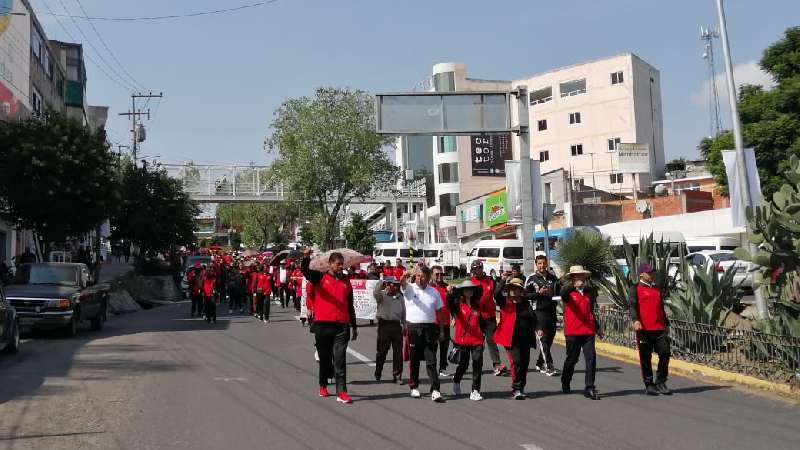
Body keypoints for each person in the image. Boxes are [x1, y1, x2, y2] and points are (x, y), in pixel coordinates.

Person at [301, 249, 358, 404]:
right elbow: (305, 271)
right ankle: (323, 385)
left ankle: (342, 392)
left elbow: (350, 305)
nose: (341, 267)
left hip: (342, 326)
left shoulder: (346, 281)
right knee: (325, 358)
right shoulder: (320, 277)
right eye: (338, 264)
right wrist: (306, 257)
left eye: (342, 264)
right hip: (323, 325)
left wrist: (354, 325)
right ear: (330, 264)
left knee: (340, 359)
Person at [400, 266, 448, 402]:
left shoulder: (434, 292)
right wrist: (408, 273)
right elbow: (401, 281)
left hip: (430, 328)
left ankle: (435, 390)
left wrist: (442, 331)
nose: (420, 278)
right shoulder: (409, 288)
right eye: (418, 276)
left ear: (428, 277)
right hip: (413, 328)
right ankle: (414, 387)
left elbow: (439, 312)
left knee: (431, 360)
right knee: (414, 360)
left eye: (423, 276)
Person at [560, 265, 602, 400]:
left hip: (588, 331)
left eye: (582, 275)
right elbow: (562, 293)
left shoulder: (589, 292)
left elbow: (590, 311)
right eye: (577, 276)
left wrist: (597, 327)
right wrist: (572, 285)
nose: (580, 278)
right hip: (573, 331)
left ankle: (589, 387)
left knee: (591, 359)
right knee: (572, 359)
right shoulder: (568, 293)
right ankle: (565, 381)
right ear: (572, 278)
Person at [630, 263, 672, 396]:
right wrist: (635, 320)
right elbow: (632, 305)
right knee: (645, 358)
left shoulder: (657, 289)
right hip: (644, 329)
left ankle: (661, 382)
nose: (651, 275)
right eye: (648, 273)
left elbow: (660, 308)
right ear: (641, 274)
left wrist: (665, 323)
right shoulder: (635, 288)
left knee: (665, 353)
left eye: (652, 272)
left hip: (659, 328)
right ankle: (649, 384)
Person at [494, 277, 537, 399]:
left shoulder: (525, 303)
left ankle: (521, 388)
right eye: (511, 288)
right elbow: (497, 294)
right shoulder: (504, 301)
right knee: (517, 362)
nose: (513, 290)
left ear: (521, 291)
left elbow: (533, 318)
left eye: (516, 288)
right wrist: (502, 281)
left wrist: (538, 328)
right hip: (511, 339)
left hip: (525, 338)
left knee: (524, 364)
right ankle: (516, 388)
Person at [445, 280, 485, 401]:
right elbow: (450, 303)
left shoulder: (477, 305)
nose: (469, 291)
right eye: (466, 289)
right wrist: (450, 294)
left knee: (478, 364)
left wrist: (483, 335)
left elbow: (481, 322)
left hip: (477, 340)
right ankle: (457, 380)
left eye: (471, 289)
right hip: (462, 341)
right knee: (464, 364)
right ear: (462, 291)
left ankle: (475, 390)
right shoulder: (457, 305)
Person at [470, 261, 507, 376]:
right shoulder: (471, 283)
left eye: (480, 268)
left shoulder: (490, 280)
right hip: (477, 318)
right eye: (475, 269)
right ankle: (477, 364)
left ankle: (497, 365)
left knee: (492, 341)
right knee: (478, 344)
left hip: (490, 317)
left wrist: (502, 280)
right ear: (473, 270)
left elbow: (497, 293)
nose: (478, 270)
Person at [525, 256, 560, 376]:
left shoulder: (553, 278)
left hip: (551, 313)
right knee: (543, 339)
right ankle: (549, 366)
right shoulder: (531, 279)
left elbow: (559, 294)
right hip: (538, 313)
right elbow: (525, 296)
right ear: (536, 264)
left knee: (549, 341)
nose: (542, 266)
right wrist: (538, 294)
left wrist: (556, 298)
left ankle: (539, 362)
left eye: (544, 263)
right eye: (539, 263)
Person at [372, 276, 405, 384]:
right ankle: (378, 371)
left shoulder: (400, 297)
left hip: (396, 326)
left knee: (398, 353)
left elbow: (404, 312)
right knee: (382, 352)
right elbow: (375, 292)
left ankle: (397, 374)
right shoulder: (382, 295)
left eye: (395, 285)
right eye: (391, 284)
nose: (393, 287)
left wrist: (404, 325)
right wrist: (382, 282)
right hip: (384, 326)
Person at [430, 266, 451, 377]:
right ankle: (432, 368)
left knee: (444, 347)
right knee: (432, 348)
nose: (439, 276)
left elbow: (453, 304)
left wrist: (451, 294)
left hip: (445, 322)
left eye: (441, 274)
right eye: (437, 274)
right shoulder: (428, 288)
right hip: (432, 323)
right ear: (432, 275)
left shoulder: (447, 287)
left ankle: (442, 368)